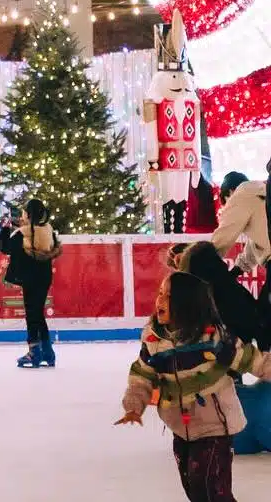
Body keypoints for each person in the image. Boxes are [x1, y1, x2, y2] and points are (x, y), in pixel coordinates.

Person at [118, 271, 271, 502]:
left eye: (169, 296)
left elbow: (253, 360)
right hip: (180, 427)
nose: (160, 300)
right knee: (194, 489)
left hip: (215, 425)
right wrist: (133, 406)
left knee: (211, 489)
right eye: (160, 293)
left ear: (187, 304)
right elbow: (142, 376)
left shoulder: (213, 339)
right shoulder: (154, 341)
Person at [0, 197, 60, 368]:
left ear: (29, 215)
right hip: (44, 277)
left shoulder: (23, 234)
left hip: (30, 278)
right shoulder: (48, 231)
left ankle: (34, 352)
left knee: (32, 314)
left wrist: (5, 229)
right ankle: (47, 352)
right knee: (38, 313)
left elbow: (5, 247)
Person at [209, 171, 270, 330]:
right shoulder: (261, 195)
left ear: (230, 193)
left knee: (265, 319)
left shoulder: (242, 192)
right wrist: (236, 271)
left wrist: (204, 260)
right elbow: (256, 244)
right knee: (264, 315)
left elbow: (223, 235)